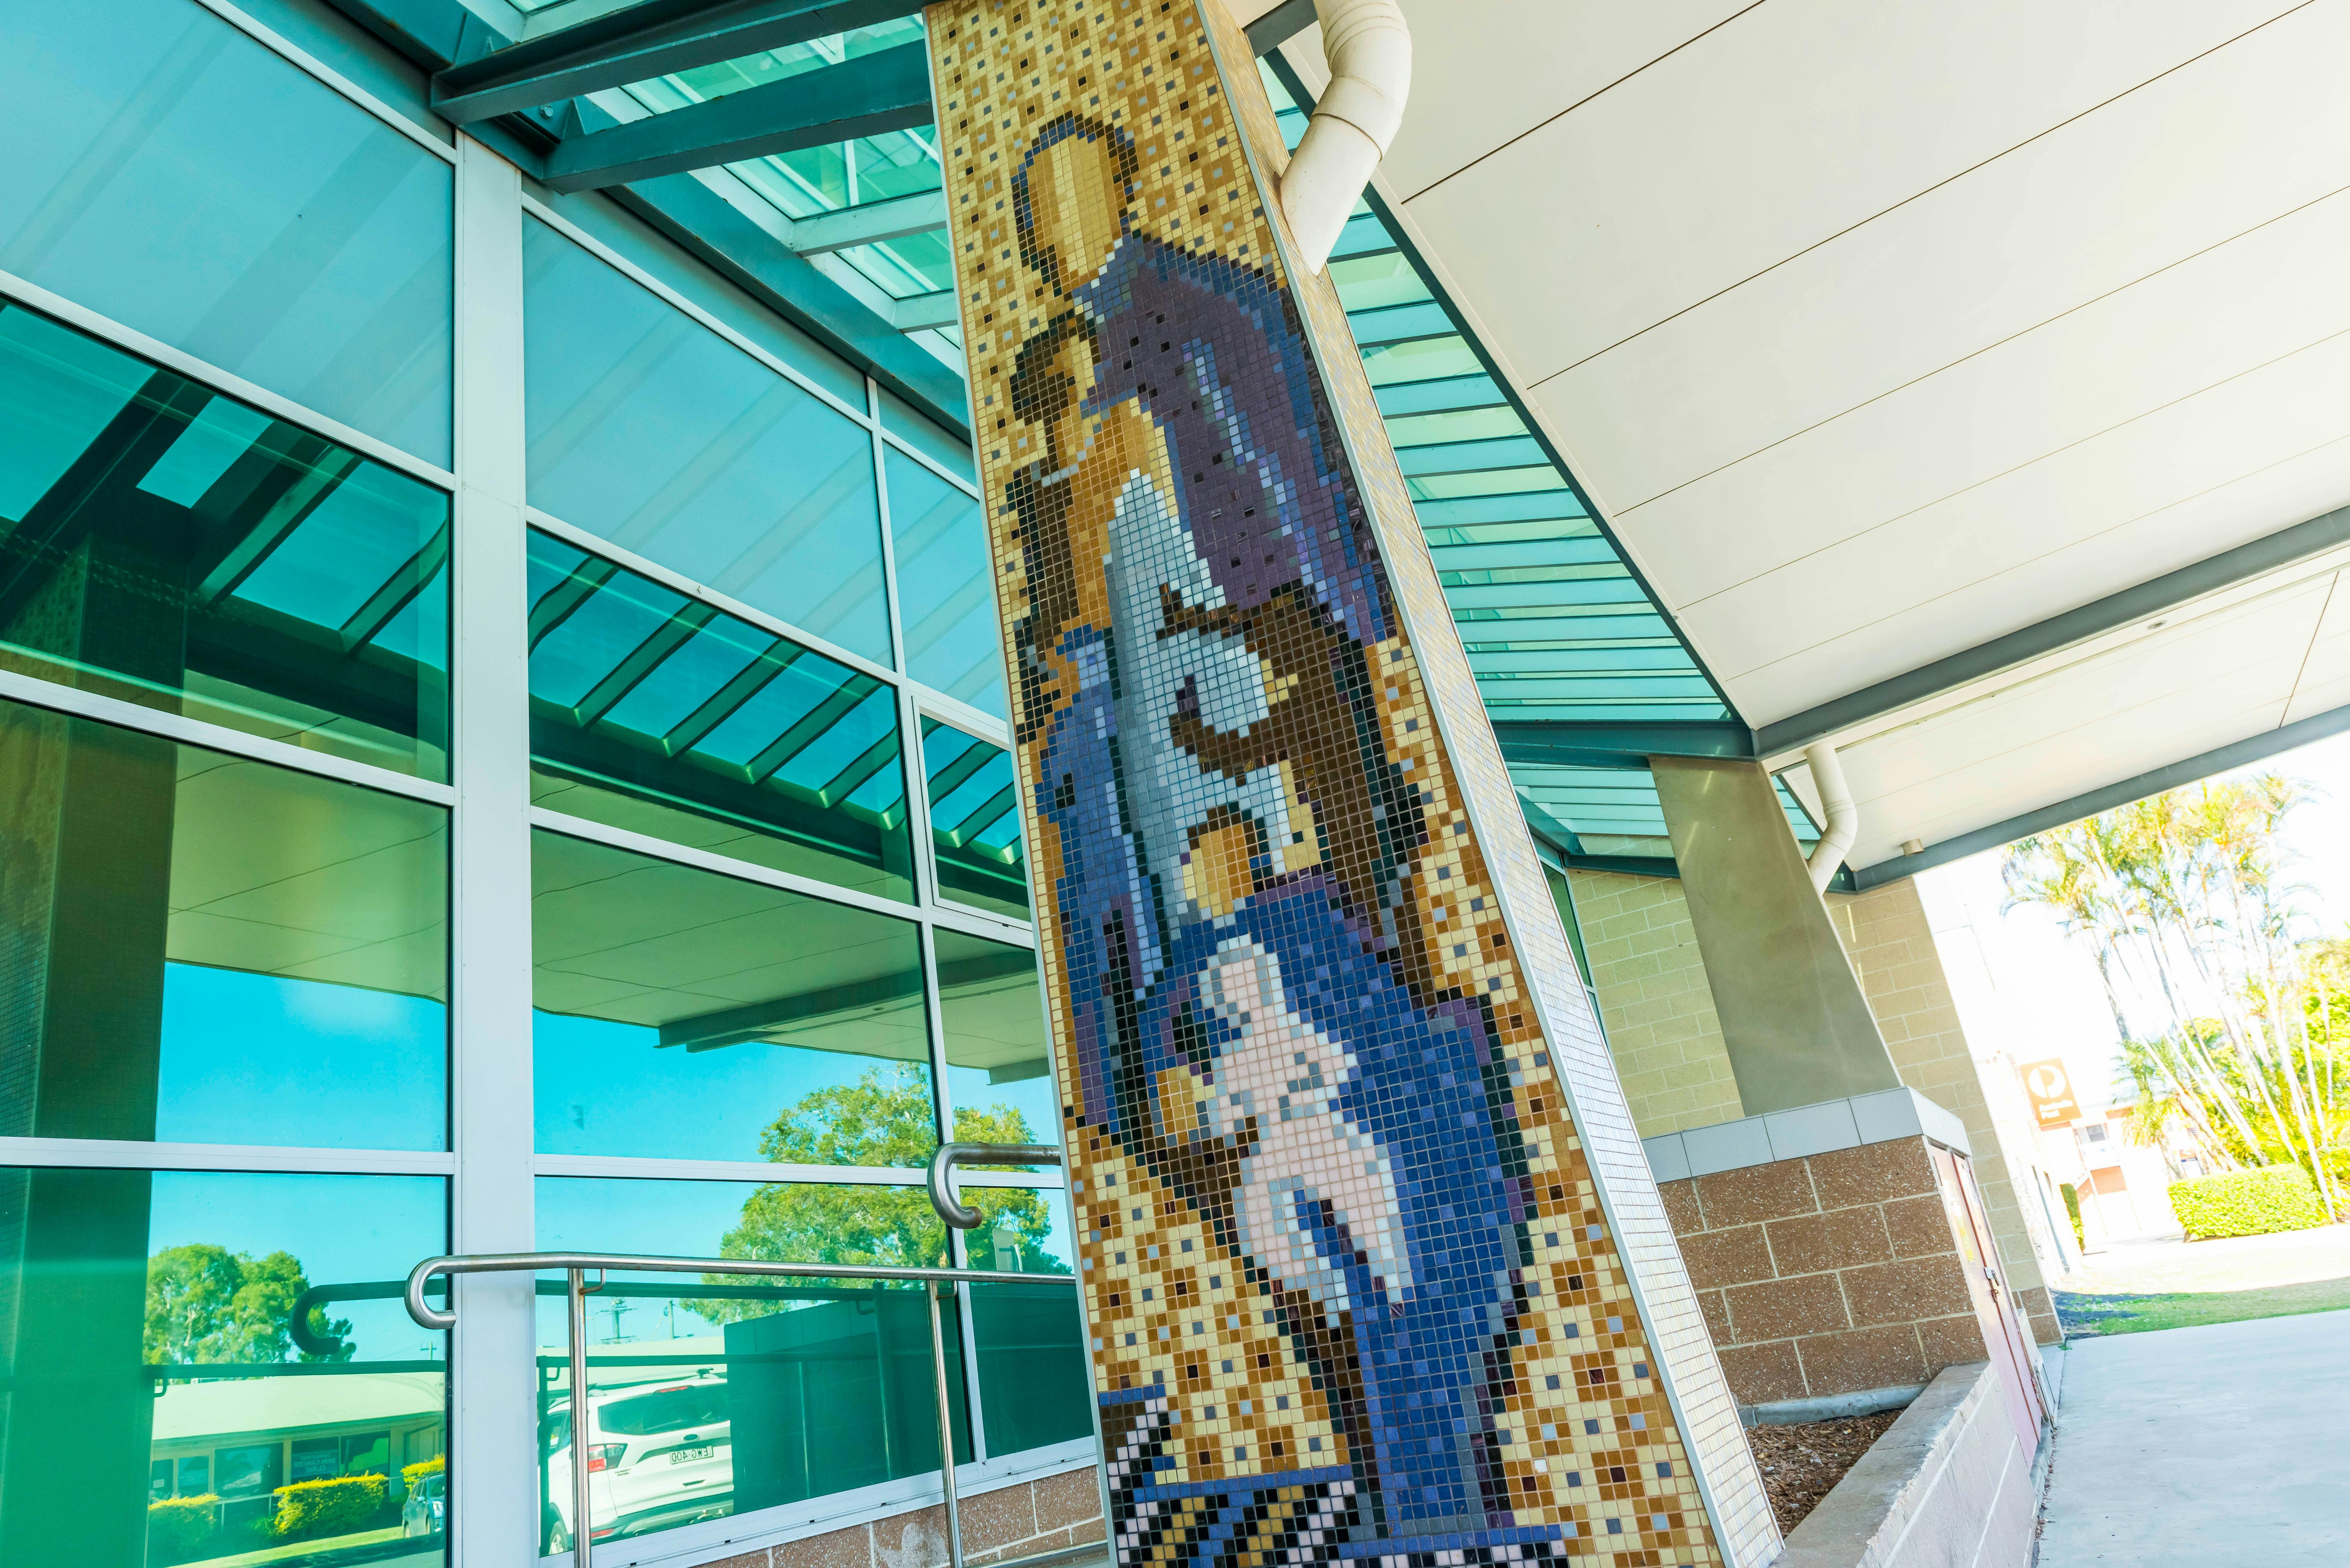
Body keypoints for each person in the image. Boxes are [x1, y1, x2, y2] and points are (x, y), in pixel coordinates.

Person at [1004, 111, 1536, 1543]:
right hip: (1185, 870)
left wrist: (1283, 769)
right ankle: (1405, 1471)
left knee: (1374, 1159)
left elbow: (1286, 555)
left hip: (1261, 817)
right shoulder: (1066, 397)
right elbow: (1087, 636)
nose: (1052, 232)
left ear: (1110, 192)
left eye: (1067, 198)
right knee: (1289, 1204)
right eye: (1034, 213)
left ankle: (1434, 1475)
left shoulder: (1185, 319)